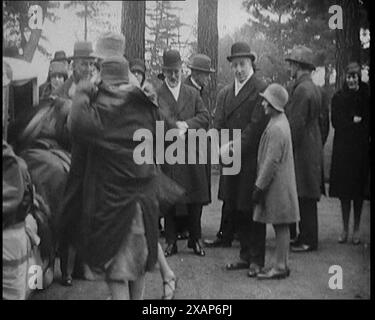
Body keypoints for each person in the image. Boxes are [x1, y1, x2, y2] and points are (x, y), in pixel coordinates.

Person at [68, 55, 163, 300]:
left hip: (114, 207)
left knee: (117, 268)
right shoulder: (145, 107)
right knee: (138, 263)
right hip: (143, 204)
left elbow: (75, 121)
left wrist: (86, 87)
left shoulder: (103, 112)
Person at [214, 42, 268, 277]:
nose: (238, 69)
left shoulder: (260, 87)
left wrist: (230, 148)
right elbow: (218, 123)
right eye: (235, 65)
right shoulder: (226, 92)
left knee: (251, 209)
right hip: (231, 158)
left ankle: (257, 259)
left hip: (251, 159)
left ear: (251, 63)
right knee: (236, 206)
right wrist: (219, 145)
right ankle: (245, 256)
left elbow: (255, 128)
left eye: (242, 64)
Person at [157, 49, 210, 257]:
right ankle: (170, 241)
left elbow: (205, 117)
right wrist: (170, 130)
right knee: (170, 199)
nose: (173, 75)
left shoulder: (192, 93)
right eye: (169, 71)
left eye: (176, 71)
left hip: (192, 152)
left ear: (181, 70)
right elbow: (151, 122)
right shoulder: (157, 94)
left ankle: (195, 240)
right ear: (163, 71)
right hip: (168, 153)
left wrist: (186, 125)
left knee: (195, 197)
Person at [252, 84, 300, 280]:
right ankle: (283, 264)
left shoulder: (277, 128)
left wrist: (259, 186)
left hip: (277, 186)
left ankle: (280, 267)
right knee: (282, 225)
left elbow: (271, 161)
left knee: (280, 225)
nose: (263, 103)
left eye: (266, 100)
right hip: (281, 184)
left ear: (274, 104)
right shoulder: (279, 121)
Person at [285, 45, 323, 253]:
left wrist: (286, 146)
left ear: (299, 66)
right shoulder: (313, 88)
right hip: (312, 144)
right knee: (307, 191)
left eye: (291, 63)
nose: (289, 67)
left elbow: (295, 124)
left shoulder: (301, 90)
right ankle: (305, 236)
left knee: (305, 193)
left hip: (302, 149)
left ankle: (308, 239)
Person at [329, 62, 370, 245]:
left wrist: (359, 124)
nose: (352, 80)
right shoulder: (339, 97)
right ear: (345, 78)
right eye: (349, 77)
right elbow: (336, 122)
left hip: (361, 150)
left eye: (355, 76)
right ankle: (345, 229)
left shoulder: (366, 96)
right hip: (344, 150)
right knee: (344, 193)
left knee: (358, 193)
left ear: (359, 77)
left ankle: (356, 230)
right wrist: (353, 121)